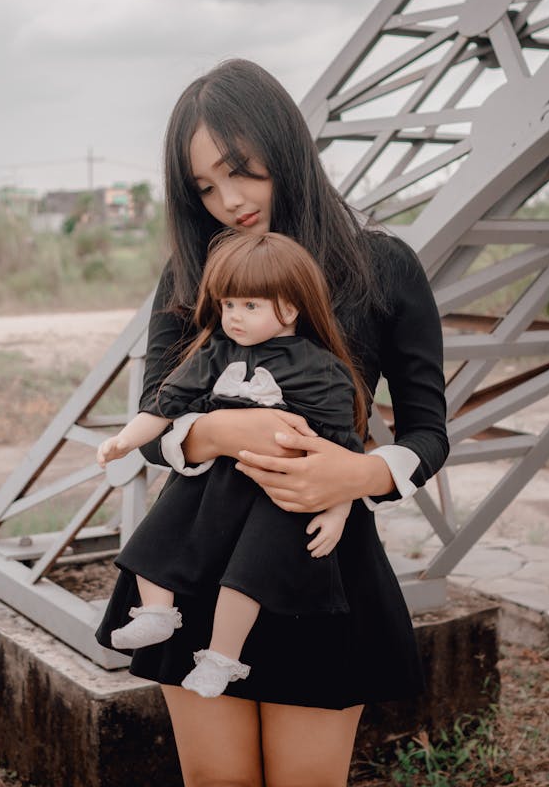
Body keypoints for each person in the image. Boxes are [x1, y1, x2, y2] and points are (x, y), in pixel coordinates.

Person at [95, 58, 448, 787]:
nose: (229, 202)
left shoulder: (380, 267)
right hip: (200, 555)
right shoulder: (191, 273)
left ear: (283, 147)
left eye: (241, 173)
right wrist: (222, 430)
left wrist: (358, 474)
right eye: (205, 188)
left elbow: (428, 433)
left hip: (321, 567)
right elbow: (158, 427)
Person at [96, 230, 366, 699]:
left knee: (247, 577)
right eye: (229, 305)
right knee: (156, 537)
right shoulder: (216, 353)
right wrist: (124, 439)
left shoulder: (321, 369)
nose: (235, 317)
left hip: (277, 494)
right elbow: (165, 406)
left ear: (292, 306)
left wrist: (336, 509)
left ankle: (222, 657)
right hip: (211, 484)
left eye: (251, 306)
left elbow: (343, 448)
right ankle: (157, 613)